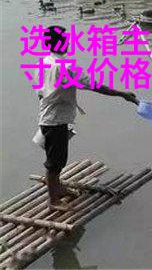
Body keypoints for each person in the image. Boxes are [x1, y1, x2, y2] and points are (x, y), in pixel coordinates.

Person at [36, 25, 138, 211]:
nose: (68, 42)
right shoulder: (66, 67)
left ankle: (58, 188)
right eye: (66, 39)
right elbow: (94, 85)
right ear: (60, 43)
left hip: (48, 116)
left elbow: (40, 92)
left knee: (57, 157)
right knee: (55, 162)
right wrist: (122, 94)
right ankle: (53, 200)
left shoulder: (44, 62)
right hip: (56, 120)